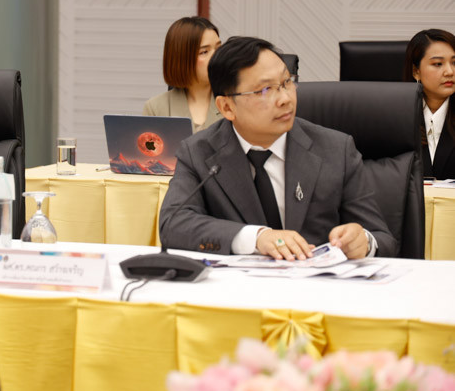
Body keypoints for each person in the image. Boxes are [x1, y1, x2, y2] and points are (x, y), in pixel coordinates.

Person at [159, 36, 396, 260]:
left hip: (317, 285)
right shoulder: (198, 152)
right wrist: (256, 238)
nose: (285, 99)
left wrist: (364, 242)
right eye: (265, 90)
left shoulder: (335, 150)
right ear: (227, 107)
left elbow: (384, 239)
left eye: (286, 82)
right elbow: (173, 225)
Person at [143, 17, 222, 133]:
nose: (217, 56)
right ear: (181, 59)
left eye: (219, 48)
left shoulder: (234, 102)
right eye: (204, 52)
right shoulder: (155, 108)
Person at [404, 29, 455, 179]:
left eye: (454, 62)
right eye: (438, 64)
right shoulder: (397, 118)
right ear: (416, 71)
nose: (449, 71)